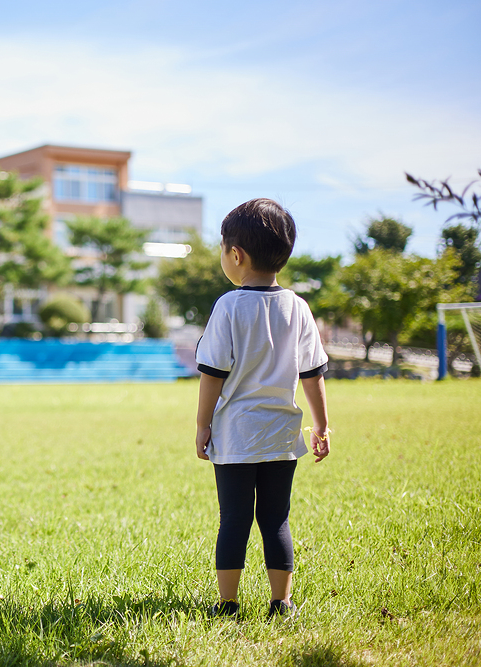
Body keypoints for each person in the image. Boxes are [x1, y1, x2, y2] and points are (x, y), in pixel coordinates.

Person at [194, 198, 330, 620]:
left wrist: (202, 425)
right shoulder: (298, 307)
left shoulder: (229, 307)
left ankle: (228, 603)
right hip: (282, 434)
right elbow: (313, 374)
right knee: (275, 519)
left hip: (235, 433)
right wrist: (322, 425)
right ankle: (281, 602)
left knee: (233, 518)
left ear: (235, 255)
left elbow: (212, 374)